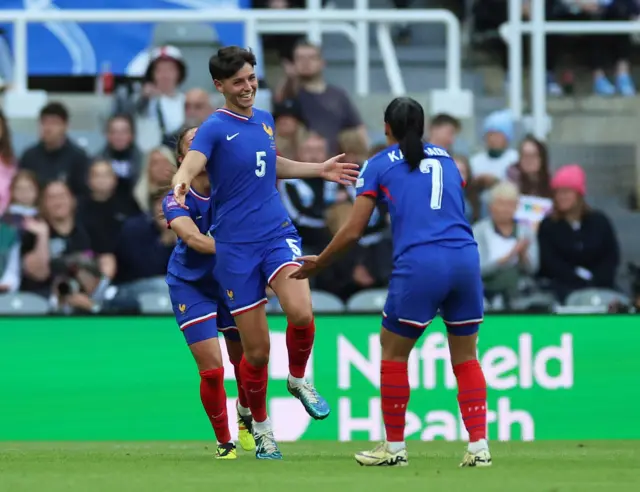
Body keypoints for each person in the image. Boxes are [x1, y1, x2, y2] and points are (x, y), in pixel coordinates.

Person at [172, 46, 359, 460]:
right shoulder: (214, 128)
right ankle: (261, 428)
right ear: (219, 85)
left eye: (252, 78)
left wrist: (318, 169)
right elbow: (194, 161)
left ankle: (297, 379)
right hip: (235, 249)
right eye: (238, 81)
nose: (248, 87)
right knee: (255, 354)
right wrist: (182, 179)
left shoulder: (265, 120)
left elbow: (268, 164)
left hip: (275, 233)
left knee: (302, 312)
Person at [289, 97, 492, 468]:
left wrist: (320, 262)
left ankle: (394, 448)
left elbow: (352, 230)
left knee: (393, 352)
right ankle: (479, 447)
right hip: (465, 258)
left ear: (386, 128)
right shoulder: (447, 159)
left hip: (421, 262)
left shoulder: (378, 164)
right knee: (466, 356)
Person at [163, 127, 255, 460]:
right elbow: (196, 241)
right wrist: (243, 250)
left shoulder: (234, 187)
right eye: (193, 144)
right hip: (192, 283)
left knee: (246, 362)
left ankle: (245, 414)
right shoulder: (176, 198)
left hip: (231, 281)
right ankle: (224, 441)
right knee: (213, 371)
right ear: (182, 158)